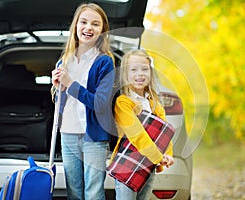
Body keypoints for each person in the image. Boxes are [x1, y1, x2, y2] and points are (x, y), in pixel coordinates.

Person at [51, 3, 115, 200]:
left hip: (93, 136)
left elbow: (100, 103)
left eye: (95, 24)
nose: (88, 28)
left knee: (93, 192)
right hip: (68, 133)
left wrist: (70, 83)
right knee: (74, 192)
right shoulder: (64, 61)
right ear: (75, 26)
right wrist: (57, 88)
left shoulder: (104, 62)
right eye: (84, 22)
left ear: (102, 31)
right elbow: (60, 103)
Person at [112, 49, 174, 200]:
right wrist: (158, 156)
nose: (140, 74)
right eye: (133, 70)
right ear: (125, 75)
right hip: (127, 163)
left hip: (149, 165)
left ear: (150, 73)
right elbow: (136, 134)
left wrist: (167, 154)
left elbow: (163, 132)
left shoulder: (154, 103)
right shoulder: (124, 102)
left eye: (145, 69)